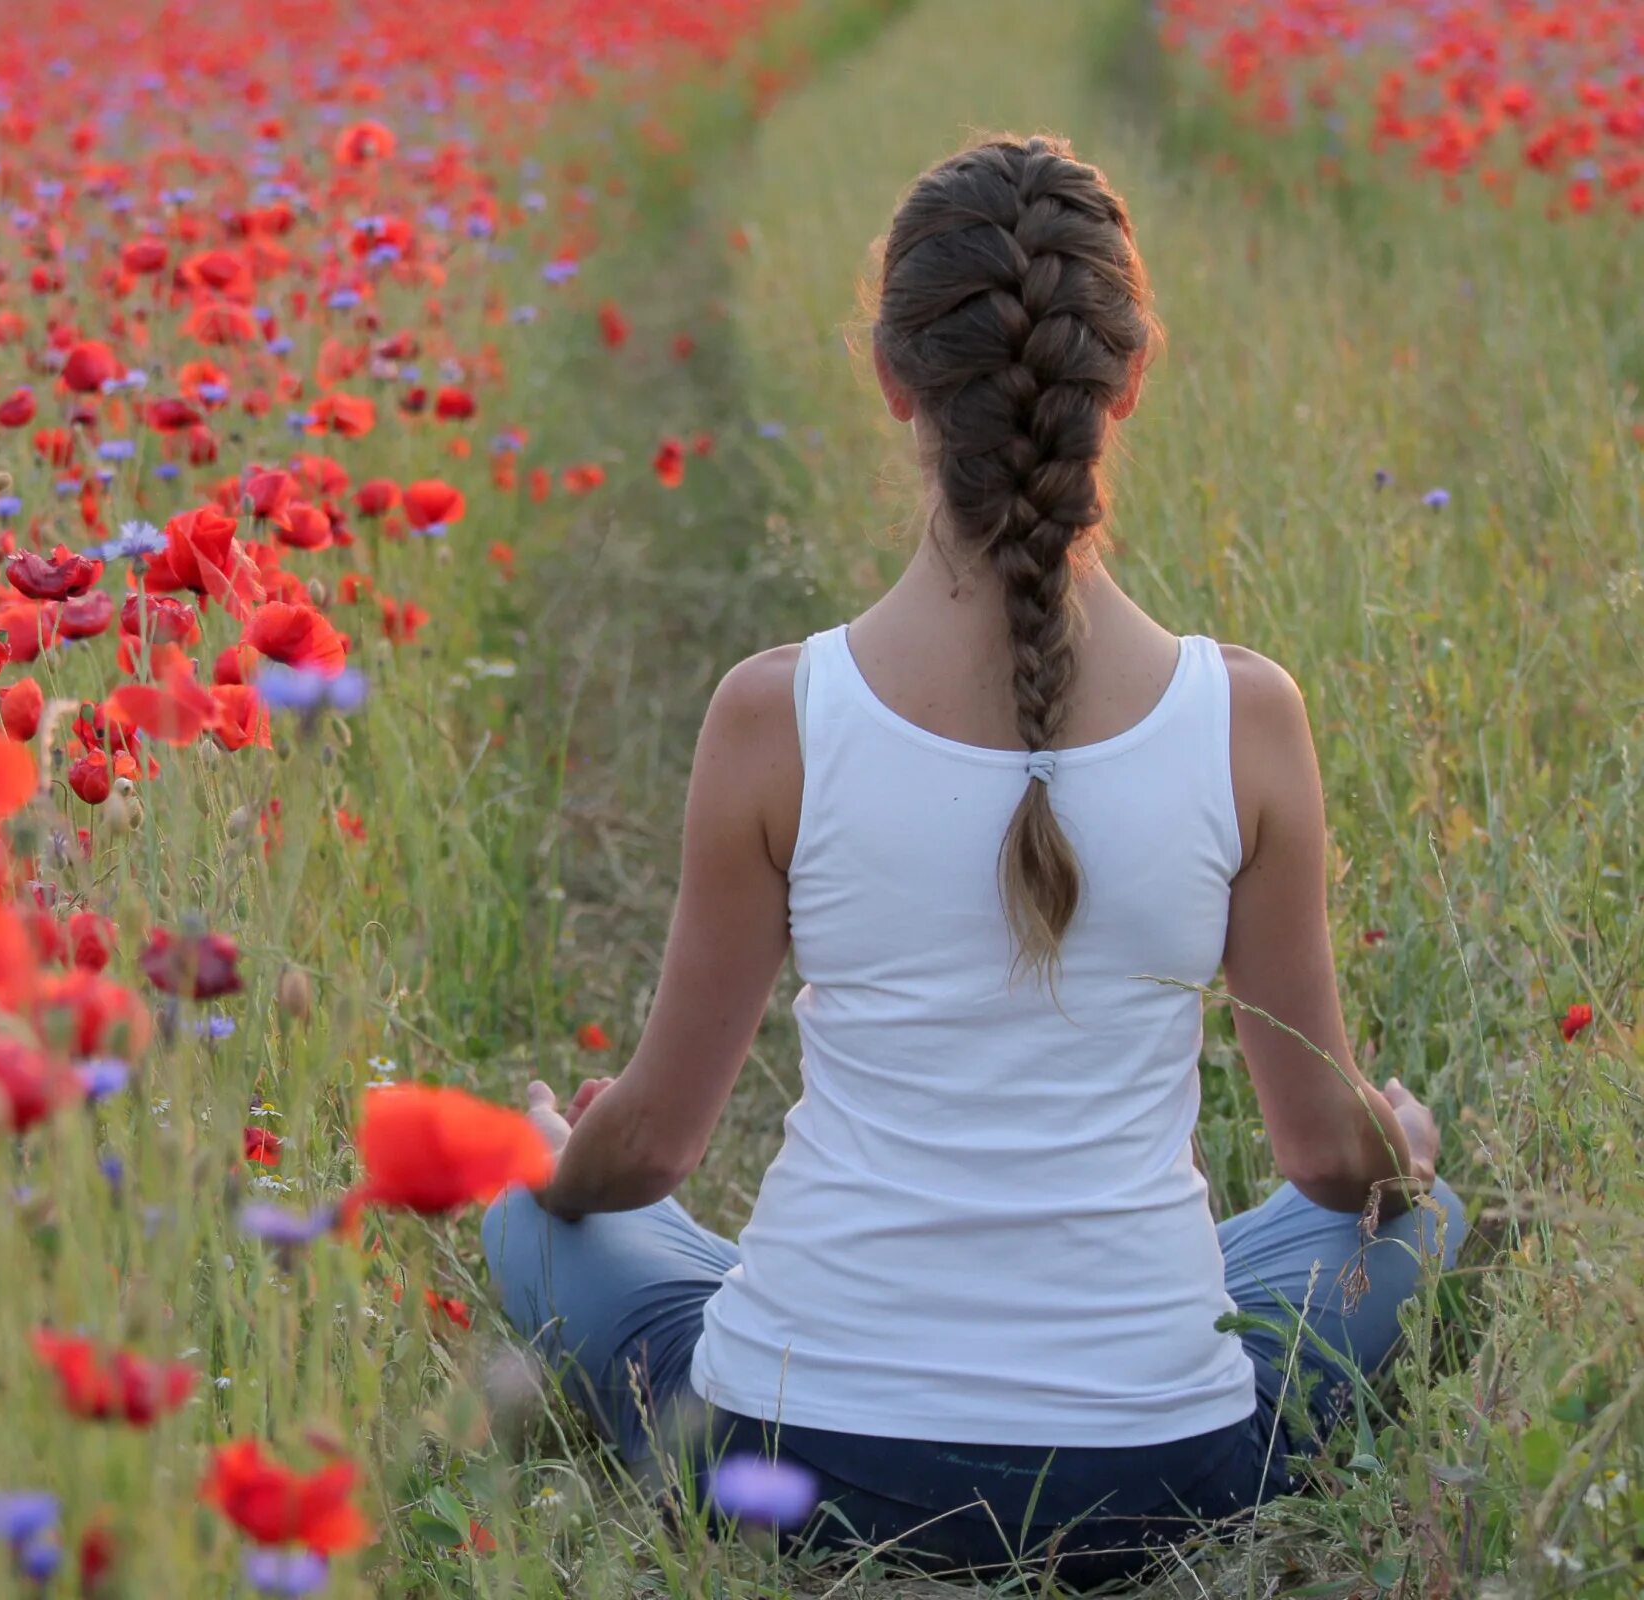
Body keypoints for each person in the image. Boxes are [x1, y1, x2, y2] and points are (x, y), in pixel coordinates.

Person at [481, 134, 1463, 1586]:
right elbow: (1327, 1158)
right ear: (1126, 378)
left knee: (532, 1208)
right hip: (1160, 1476)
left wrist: (560, 1161)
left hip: (794, 1458)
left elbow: (655, 1152)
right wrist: (1404, 1150)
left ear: (891, 379)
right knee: (1411, 1221)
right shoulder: (1245, 718)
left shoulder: (775, 716)